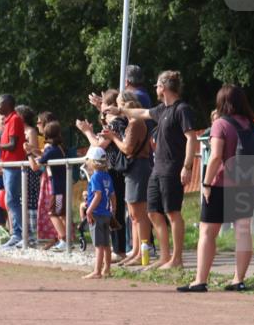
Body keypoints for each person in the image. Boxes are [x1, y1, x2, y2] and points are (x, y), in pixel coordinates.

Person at [100, 70, 199, 270]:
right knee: (153, 213)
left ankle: (177, 259)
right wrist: (119, 111)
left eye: (156, 85)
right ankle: (164, 257)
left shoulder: (182, 109)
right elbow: (141, 112)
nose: (155, 88)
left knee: (172, 213)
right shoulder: (162, 109)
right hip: (157, 168)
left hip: (173, 167)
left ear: (163, 87)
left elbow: (192, 138)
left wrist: (187, 166)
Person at [178, 85, 254, 293]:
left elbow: (215, 157)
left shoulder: (220, 124)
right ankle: (238, 279)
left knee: (207, 232)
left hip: (221, 184)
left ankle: (200, 280)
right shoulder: (251, 124)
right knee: (242, 230)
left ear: (221, 102)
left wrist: (205, 183)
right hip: (247, 184)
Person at [101, 93, 153, 266]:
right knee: (133, 214)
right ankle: (137, 251)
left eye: (119, 105)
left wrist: (113, 137)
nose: (117, 109)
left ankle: (141, 254)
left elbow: (127, 148)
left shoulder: (135, 123)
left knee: (139, 214)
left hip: (138, 168)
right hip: (135, 169)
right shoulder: (133, 123)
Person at [77, 90, 128, 260]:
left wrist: (86, 131)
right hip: (113, 171)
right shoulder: (116, 123)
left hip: (115, 171)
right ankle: (118, 248)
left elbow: (99, 145)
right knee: (114, 209)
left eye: (103, 107)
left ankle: (119, 249)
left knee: (114, 210)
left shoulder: (116, 123)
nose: (102, 113)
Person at [0, 94, 27, 248]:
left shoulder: (15, 120)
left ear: (9, 104)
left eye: (0, 103)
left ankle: (18, 234)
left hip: (13, 166)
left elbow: (12, 145)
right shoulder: (7, 121)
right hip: (7, 166)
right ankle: (16, 234)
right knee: (10, 200)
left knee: (12, 200)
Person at [28, 122, 69, 251]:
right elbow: (43, 157)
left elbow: (35, 167)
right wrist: (33, 151)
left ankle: (64, 239)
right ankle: (67, 239)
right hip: (61, 187)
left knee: (53, 213)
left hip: (57, 189)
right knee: (61, 214)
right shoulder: (58, 148)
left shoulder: (51, 150)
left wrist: (28, 154)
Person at [82, 146, 115, 279]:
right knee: (106, 243)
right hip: (106, 214)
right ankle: (106, 269)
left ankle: (97, 271)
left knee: (98, 245)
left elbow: (98, 195)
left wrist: (89, 211)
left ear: (93, 162)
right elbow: (112, 195)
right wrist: (113, 209)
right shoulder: (107, 176)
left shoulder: (95, 177)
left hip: (97, 213)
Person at [16, 105, 40, 247]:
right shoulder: (17, 131)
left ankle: (32, 234)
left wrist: (26, 149)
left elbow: (33, 149)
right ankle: (22, 232)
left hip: (29, 169)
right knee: (20, 199)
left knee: (30, 199)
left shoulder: (30, 131)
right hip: (19, 169)